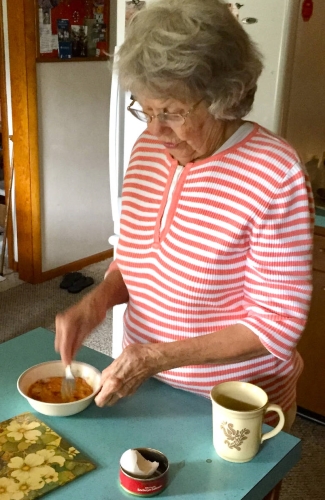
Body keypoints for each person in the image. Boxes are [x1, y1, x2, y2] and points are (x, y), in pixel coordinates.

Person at [56, 0, 313, 465]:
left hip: (235, 405)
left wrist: (153, 356)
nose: (155, 131)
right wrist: (96, 302)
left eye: (171, 111)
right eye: (145, 109)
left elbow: (277, 322)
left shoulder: (275, 172)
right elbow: (138, 257)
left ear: (225, 97)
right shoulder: (148, 152)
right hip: (149, 386)